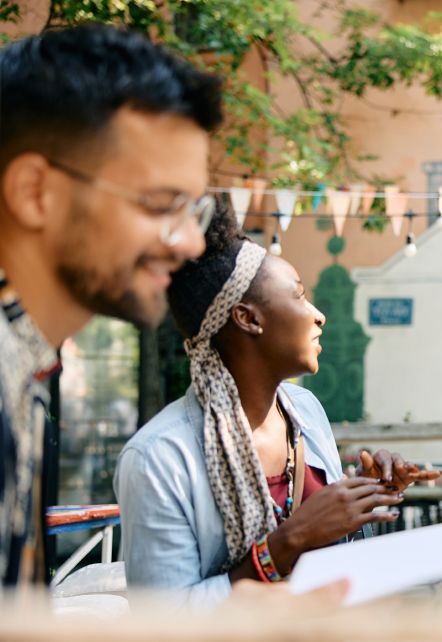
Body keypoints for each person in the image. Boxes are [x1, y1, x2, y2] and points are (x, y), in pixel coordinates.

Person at [114, 203, 440, 609]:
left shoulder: (304, 411)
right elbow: (164, 621)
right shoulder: (158, 459)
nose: (318, 316)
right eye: (299, 296)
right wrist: (287, 542)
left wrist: (365, 491)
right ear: (248, 318)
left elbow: (334, 558)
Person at [0, 25, 222, 586]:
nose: (192, 243)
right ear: (34, 192)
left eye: (192, 210)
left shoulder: (24, 367)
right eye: (160, 204)